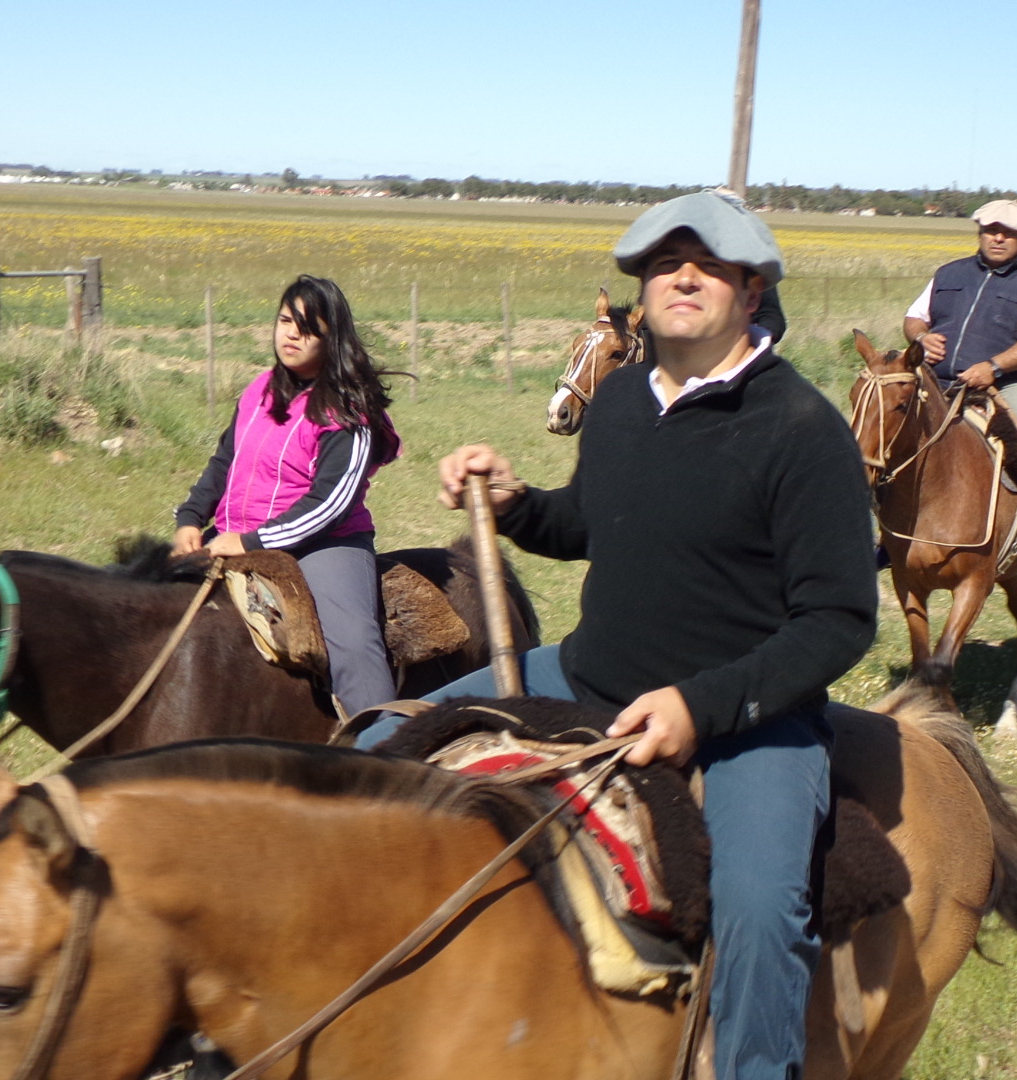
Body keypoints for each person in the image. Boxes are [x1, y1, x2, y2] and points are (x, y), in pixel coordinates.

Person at [362, 191, 878, 1080]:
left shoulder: (803, 430)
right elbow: (593, 522)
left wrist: (699, 707)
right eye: (665, 264)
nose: (684, 278)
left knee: (758, 909)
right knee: (375, 746)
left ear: (752, 291)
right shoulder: (623, 400)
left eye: (710, 265)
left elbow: (840, 620)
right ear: (642, 290)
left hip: (747, 719)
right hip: (585, 673)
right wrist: (516, 501)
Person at [172, 275, 402, 716]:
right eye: (284, 321)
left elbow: (331, 504)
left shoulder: (347, 410)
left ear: (332, 339)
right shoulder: (259, 391)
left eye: (308, 328)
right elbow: (224, 462)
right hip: (233, 533)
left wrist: (252, 541)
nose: (291, 334)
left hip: (323, 544)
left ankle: (385, 738)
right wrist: (190, 518)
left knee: (352, 641)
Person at [902, 199, 1017, 568]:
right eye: (992, 230)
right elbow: (914, 318)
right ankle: (881, 526)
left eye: (1009, 233)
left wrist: (994, 367)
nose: (998, 238)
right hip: (935, 378)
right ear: (980, 232)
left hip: (1006, 384)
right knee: (882, 424)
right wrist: (920, 338)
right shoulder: (948, 274)